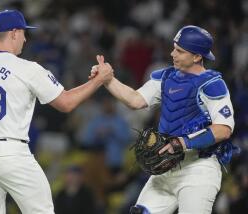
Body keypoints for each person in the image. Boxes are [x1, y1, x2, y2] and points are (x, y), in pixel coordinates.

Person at [0, 9, 113, 214]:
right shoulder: (26, 68)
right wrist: (100, 79)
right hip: (10, 153)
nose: (25, 39)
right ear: (13, 33)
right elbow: (66, 103)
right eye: (23, 33)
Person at [91, 25, 237, 214]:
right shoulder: (167, 77)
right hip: (166, 167)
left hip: (199, 170)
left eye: (180, 51)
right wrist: (108, 80)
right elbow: (136, 100)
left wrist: (183, 142)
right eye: (174, 48)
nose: (172, 53)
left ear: (197, 56)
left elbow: (224, 129)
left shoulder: (212, 84)